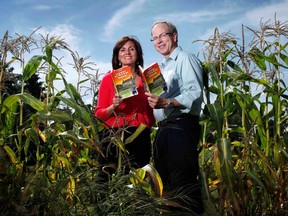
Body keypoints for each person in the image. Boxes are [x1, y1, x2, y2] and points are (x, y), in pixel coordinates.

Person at [146, 21, 204, 214]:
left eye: (163, 35)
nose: (159, 41)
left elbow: (194, 93)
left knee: (183, 185)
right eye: (155, 38)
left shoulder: (185, 59)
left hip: (180, 126)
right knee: (167, 188)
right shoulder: (159, 69)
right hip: (163, 130)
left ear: (174, 36)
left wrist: (166, 103)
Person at [94, 36, 155, 179]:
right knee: (105, 180)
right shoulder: (108, 79)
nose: (127, 52)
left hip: (140, 137)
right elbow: (99, 114)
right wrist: (113, 107)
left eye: (131, 49)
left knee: (138, 183)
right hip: (114, 137)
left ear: (138, 54)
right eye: (123, 50)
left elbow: (151, 118)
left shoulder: (148, 80)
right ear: (117, 56)